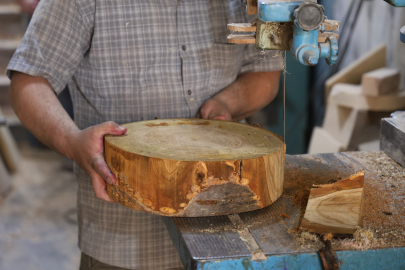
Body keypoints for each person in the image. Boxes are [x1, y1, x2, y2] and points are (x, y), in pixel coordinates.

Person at [7, 1, 282, 269]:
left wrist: (228, 103)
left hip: (229, 232)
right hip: (124, 240)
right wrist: (72, 142)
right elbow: (28, 82)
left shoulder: (242, 3)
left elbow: (264, 74)